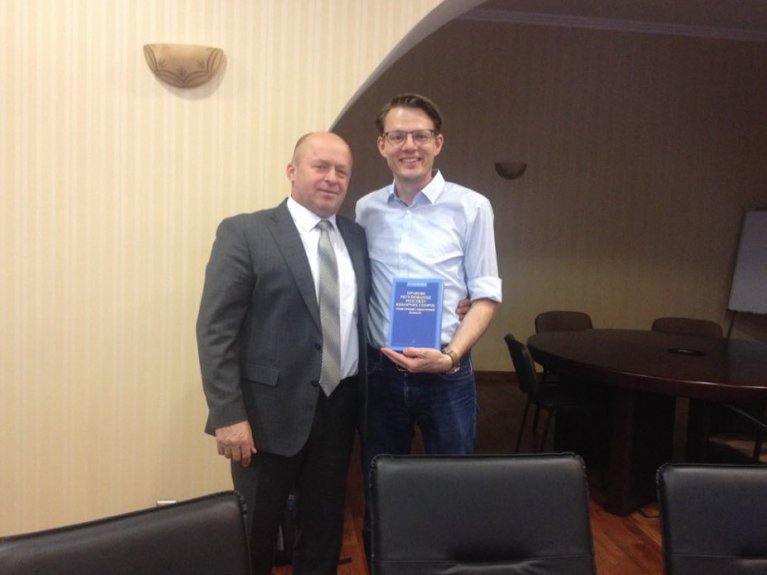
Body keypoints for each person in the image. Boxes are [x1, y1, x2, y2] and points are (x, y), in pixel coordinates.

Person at [196, 132, 369, 575]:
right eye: (320, 166)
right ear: (292, 171)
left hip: (338, 409)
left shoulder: (357, 238)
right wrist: (227, 414)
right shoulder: (246, 232)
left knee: (324, 533)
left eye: (342, 171)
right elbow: (216, 330)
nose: (332, 178)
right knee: (253, 535)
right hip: (263, 418)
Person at [355, 93, 502, 557]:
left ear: (438, 143)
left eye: (420, 135)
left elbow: (485, 295)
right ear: (382, 145)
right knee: (380, 485)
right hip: (381, 371)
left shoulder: (472, 207)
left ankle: (447, 564)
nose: (409, 146)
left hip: (446, 374)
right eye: (397, 136)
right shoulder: (365, 210)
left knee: (452, 486)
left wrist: (452, 356)